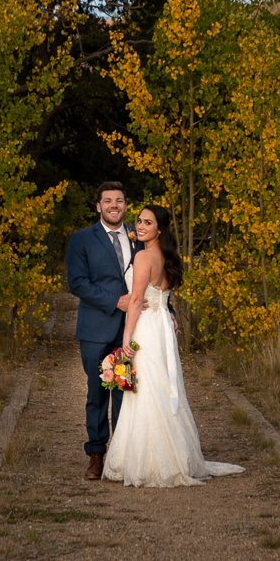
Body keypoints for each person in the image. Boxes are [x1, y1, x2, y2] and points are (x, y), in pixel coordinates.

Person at [102, 204, 244, 488]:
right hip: (162, 326)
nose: (140, 226)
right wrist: (169, 316)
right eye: (139, 221)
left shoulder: (143, 257)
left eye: (148, 223)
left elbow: (136, 300)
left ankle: (152, 462)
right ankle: (173, 454)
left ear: (159, 229)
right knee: (161, 389)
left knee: (146, 392)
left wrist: (126, 338)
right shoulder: (166, 257)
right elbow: (162, 297)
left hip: (146, 328)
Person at [64, 181, 136, 481]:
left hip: (129, 331)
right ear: (98, 206)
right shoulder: (82, 240)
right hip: (96, 328)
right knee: (97, 393)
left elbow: (153, 281)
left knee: (123, 391)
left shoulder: (139, 238)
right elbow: (77, 282)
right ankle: (96, 454)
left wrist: (168, 313)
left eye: (119, 200)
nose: (114, 205)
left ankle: (119, 456)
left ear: (125, 205)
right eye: (108, 200)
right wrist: (114, 301)